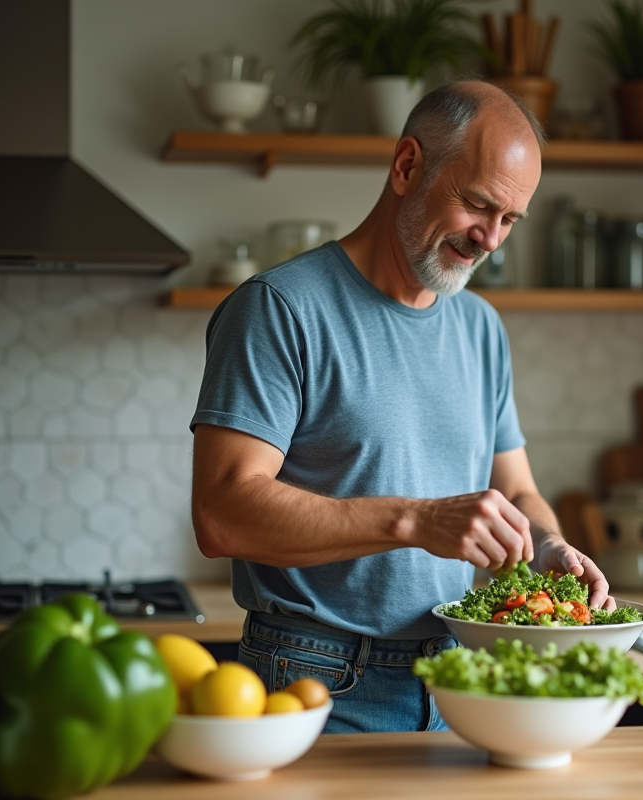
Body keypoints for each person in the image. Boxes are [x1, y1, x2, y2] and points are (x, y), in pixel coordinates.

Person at [189, 79, 614, 734]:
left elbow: (518, 491)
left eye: (510, 220)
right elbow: (221, 515)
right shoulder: (280, 309)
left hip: (457, 679)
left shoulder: (479, 327)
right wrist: (417, 520)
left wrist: (547, 547)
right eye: (478, 205)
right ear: (407, 165)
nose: (491, 240)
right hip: (314, 678)